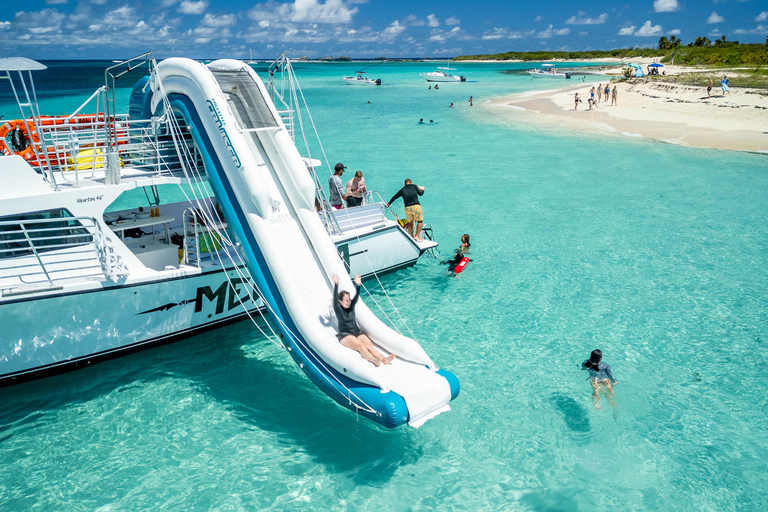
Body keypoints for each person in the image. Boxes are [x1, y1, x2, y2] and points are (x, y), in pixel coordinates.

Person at [332, 274, 395, 366]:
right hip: (345, 336)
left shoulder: (351, 306)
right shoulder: (338, 310)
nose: (348, 302)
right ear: (340, 302)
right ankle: (374, 360)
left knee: (369, 345)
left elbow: (356, 297)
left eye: (349, 300)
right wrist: (336, 284)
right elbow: (334, 301)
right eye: (345, 300)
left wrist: (358, 285)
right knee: (361, 347)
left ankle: (383, 359)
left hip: (357, 333)